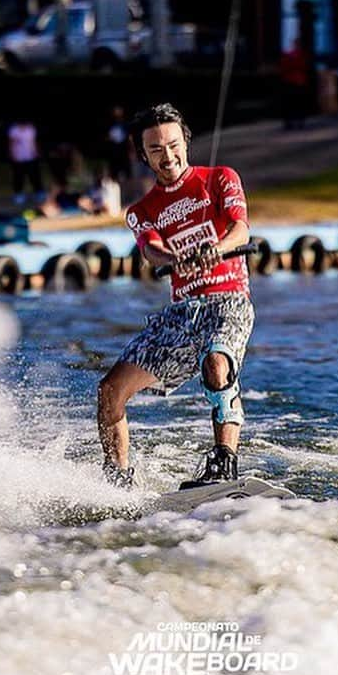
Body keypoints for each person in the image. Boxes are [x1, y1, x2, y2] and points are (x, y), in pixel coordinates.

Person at [97, 103, 254, 489]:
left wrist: (214, 250)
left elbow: (241, 230)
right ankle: (118, 479)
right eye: (155, 150)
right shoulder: (141, 210)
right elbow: (151, 250)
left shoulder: (221, 178)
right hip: (181, 314)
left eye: (172, 145)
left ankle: (224, 461)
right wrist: (177, 258)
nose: (167, 156)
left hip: (228, 300)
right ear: (143, 155)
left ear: (185, 141)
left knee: (216, 364)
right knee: (109, 391)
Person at [7, 118, 45, 205]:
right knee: (18, 177)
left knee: (35, 176)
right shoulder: (14, 129)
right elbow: (11, 143)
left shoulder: (31, 129)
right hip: (18, 157)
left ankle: (39, 193)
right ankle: (18, 194)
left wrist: (37, 152)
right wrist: (12, 154)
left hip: (31, 156)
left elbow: (34, 142)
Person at [279, 39, 310, 129]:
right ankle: (294, 121)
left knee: (294, 103)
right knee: (294, 103)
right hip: (295, 81)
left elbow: (285, 67)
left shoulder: (295, 55)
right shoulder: (297, 55)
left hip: (295, 81)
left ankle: (294, 121)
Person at [105, 105, 133, 183]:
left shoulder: (125, 124)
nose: (117, 113)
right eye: (115, 111)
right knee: (115, 171)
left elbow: (129, 138)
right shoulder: (110, 124)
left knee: (127, 172)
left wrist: (131, 150)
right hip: (114, 152)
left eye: (118, 111)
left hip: (124, 150)